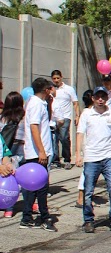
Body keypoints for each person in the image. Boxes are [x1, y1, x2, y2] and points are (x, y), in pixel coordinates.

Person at [76, 86, 111, 233]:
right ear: (93, 98)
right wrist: (78, 154)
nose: (100, 99)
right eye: (98, 97)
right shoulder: (87, 114)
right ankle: (88, 220)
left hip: (109, 157)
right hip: (91, 158)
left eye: (103, 96)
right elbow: (80, 134)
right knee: (88, 191)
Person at [20, 77, 56, 232]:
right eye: (50, 88)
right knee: (41, 187)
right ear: (46, 89)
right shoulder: (35, 103)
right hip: (37, 153)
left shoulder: (40, 103)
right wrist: (41, 151)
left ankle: (27, 217)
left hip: (40, 151)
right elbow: (34, 127)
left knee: (34, 187)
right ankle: (43, 216)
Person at [0, 91, 25, 218]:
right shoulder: (23, 116)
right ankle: (22, 204)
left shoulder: (2, 117)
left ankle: (7, 207)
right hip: (20, 148)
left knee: (6, 176)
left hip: (5, 149)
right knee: (19, 177)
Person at [50, 69, 78, 169]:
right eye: (54, 78)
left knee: (64, 137)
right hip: (53, 118)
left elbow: (75, 102)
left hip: (65, 117)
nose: (56, 80)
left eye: (58, 78)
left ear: (61, 78)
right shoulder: (50, 89)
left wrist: (77, 115)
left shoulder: (69, 89)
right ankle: (55, 160)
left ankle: (67, 159)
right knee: (54, 139)